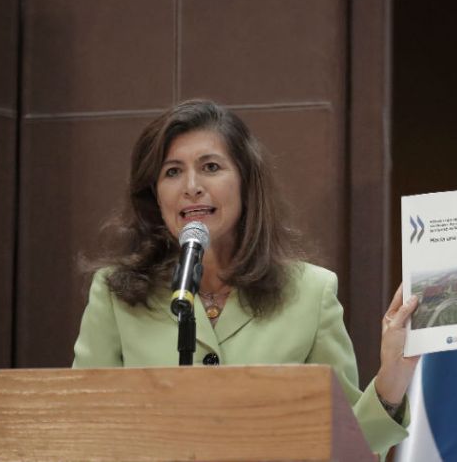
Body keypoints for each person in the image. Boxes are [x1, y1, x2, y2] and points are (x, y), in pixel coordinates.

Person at [72, 99, 420, 459]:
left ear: (245, 181)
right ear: (155, 194)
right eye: (172, 171)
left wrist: (391, 380)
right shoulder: (115, 294)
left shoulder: (311, 293)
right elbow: (80, 432)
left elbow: (347, 452)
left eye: (210, 167)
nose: (191, 186)